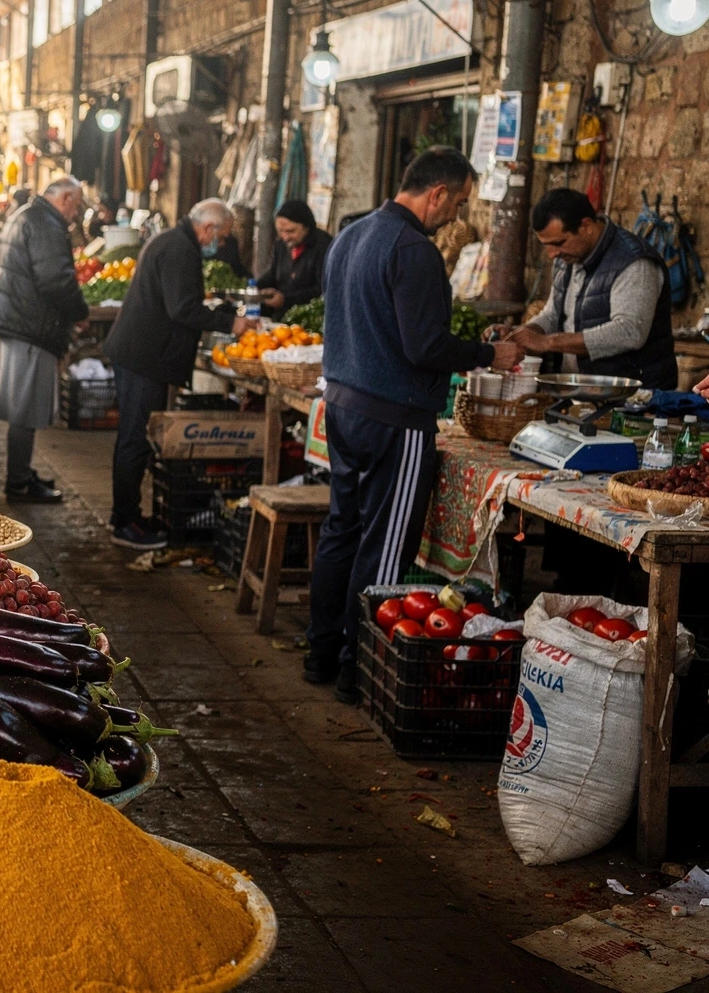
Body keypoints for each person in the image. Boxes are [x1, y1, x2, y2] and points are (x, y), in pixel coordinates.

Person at [302, 147, 520, 703]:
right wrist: (488, 355)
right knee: (385, 546)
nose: (455, 217)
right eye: (458, 203)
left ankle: (320, 654)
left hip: (343, 408)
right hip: (392, 418)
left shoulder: (351, 235)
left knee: (341, 532)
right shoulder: (413, 250)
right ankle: (357, 671)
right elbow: (425, 346)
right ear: (438, 193)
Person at [102, 200, 254, 550]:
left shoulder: (172, 240)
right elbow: (182, 308)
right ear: (209, 228)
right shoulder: (180, 248)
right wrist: (230, 322)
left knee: (135, 438)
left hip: (143, 354)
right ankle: (124, 523)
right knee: (134, 440)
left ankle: (125, 516)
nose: (222, 243)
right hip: (143, 357)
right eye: (224, 235)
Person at [0, 176, 91, 504]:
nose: (77, 214)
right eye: (77, 205)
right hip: (29, 324)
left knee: (23, 406)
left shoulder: (27, 214)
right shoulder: (44, 222)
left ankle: (22, 473)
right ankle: (18, 483)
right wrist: (80, 311)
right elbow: (55, 280)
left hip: (20, 320)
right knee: (24, 409)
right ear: (66, 198)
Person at [499, 188, 675, 387]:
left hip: (633, 396)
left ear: (586, 226)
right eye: (546, 245)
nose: (551, 254)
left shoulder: (633, 262)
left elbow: (629, 332)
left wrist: (549, 342)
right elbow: (553, 314)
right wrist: (520, 334)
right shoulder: (566, 257)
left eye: (558, 243)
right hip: (579, 390)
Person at [256, 199, 331, 313]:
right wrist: (254, 289)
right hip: (281, 317)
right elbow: (273, 272)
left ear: (306, 227)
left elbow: (322, 289)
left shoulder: (323, 245)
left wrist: (286, 299)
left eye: (291, 231)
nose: (285, 237)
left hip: (308, 315)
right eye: (281, 231)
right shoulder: (280, 245)